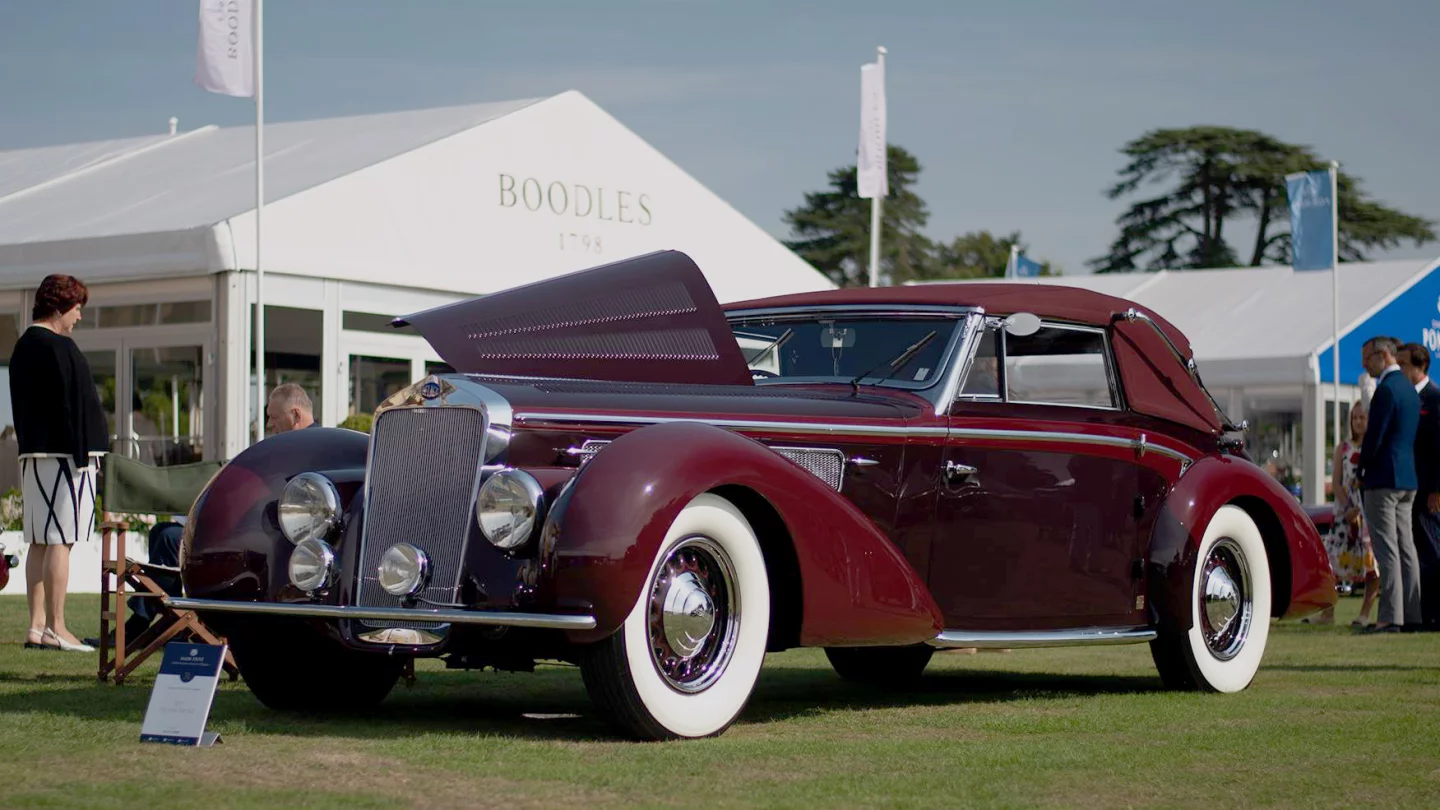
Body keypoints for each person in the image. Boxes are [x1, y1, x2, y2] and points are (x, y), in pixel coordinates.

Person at [7, 274, 109, 652]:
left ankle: (36, 626)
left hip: (34, 455)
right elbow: (74, 410)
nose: (79, 317)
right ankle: (57, 627)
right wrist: (84, 458)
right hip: (68, 458)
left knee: (38, 540)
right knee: (60, 540)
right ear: (61, 306)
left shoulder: (22, 347)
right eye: (77, 308)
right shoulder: (59, 347)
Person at [1358, 336, 1423, 633]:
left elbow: (1374, 438)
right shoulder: (1410, 389)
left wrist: (1362, 466)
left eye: (1367, 357)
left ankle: (1389, 618)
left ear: (1383, 355)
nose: (1363, 363)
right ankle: (1412, 613)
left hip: (1384, 478)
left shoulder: (1386, 390)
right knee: (1406, 548)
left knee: (1388, 550)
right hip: (1407, 477)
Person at [1311, 405, 1380, 626]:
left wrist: (1360, 509)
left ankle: (1364, 613)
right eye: (1355, 418)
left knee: (1372, 566)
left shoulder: (1374, 447)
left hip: (1368, 513)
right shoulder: (1343, 448)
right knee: (1333, 564)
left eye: (1363, 417)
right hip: (1344, 514)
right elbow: (1337, 483)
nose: (1359, 422)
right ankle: (1328, 612)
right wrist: (1348, 507)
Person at [1399, 342, 1440, 630]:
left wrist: (1437, 489)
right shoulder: (1407, 398)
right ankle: (1420, 614)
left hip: (1428, 491)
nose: (1399, 370)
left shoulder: (1434, 399)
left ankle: (1434, 614)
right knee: (1414, 551)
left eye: (1403, 365)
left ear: (1420, 366)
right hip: (1407, 488)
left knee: (1431, 551)